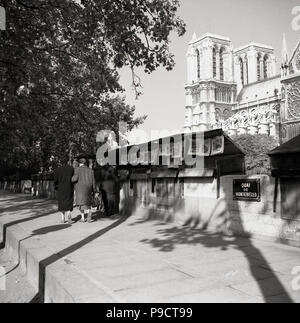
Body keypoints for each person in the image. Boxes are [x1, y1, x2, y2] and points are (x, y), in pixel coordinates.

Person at [72, 158, 98, 223]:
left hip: (80, 189)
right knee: (88, 203)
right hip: (88, 189)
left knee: (81, 204)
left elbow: (74, 179)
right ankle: (89, 217)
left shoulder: (77, 169)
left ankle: (83, 218)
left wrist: (71, 178)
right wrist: (95, 190)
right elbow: (93, 181)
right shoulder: (91, 170)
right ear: (85, 163)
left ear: (80, 163)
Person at [54, 158, 74, 224]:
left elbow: (55, 180)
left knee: (61, 202)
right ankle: (69, 216)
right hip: (69, 187)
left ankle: (63, 218)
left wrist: (56, 187)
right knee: (69, 201)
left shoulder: (58, 170)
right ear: (67, 161)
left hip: (60, 188)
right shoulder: (71, 169)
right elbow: (73, 178)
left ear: (60, 162)